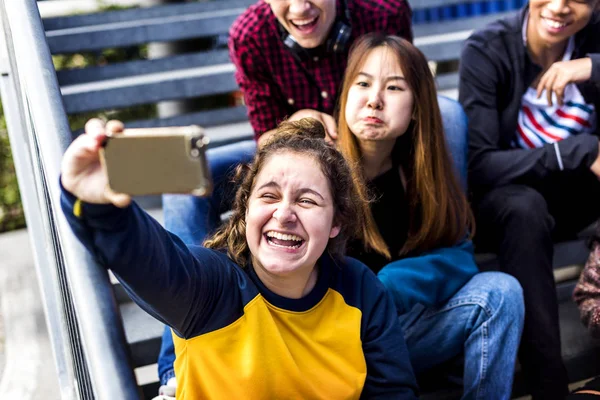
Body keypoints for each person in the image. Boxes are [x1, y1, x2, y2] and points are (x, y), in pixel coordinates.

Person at [59, 118, 420, 399]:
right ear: (244, 210)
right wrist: (98, 206)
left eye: (307, 201)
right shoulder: (212, 287)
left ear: (336, 223)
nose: (284, 214)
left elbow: (392, 392)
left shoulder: (359, 288)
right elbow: (148, 260)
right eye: (269, 196)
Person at [159, 0, 413, 391]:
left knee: (446, 115)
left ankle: (450, 225)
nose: (300, 6)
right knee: (182, 181)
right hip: (289, 150)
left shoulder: (382, 13)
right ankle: (174, 368)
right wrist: (295, 127)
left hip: (361, 143)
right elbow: (267, 143)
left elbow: (403, 84)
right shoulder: (251, 34)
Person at [336, 33, 524, 399]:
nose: (374, 100)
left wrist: (391, 285)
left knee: (502, 292)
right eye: (362, 83)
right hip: (332, 344)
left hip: (399, 333)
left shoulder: (420, 172)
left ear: (416, 106)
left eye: (393, 88)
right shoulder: (322, 172)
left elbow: (459, 256)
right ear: (345, 94)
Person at [459, 0, 600, 398]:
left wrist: (592, 66)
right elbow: (480, 164)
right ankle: (549, 387)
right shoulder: (489, 49)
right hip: (508, 202)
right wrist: (579, 150)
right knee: (524, 209)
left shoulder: (592, 38)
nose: (558, 6)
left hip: (579, 198)